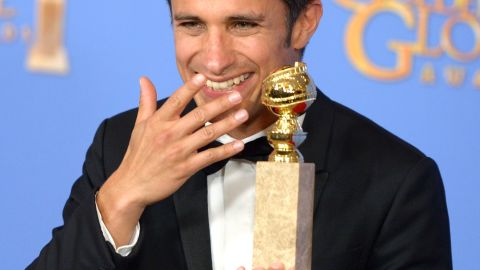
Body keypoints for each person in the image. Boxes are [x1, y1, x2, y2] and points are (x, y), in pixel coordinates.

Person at [27, 0, 452, 269]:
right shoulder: (120, 144)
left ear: (304, 23)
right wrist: (122, 196)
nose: (214, 60)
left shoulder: (396, 180)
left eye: (243, 25)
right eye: (192, 24)